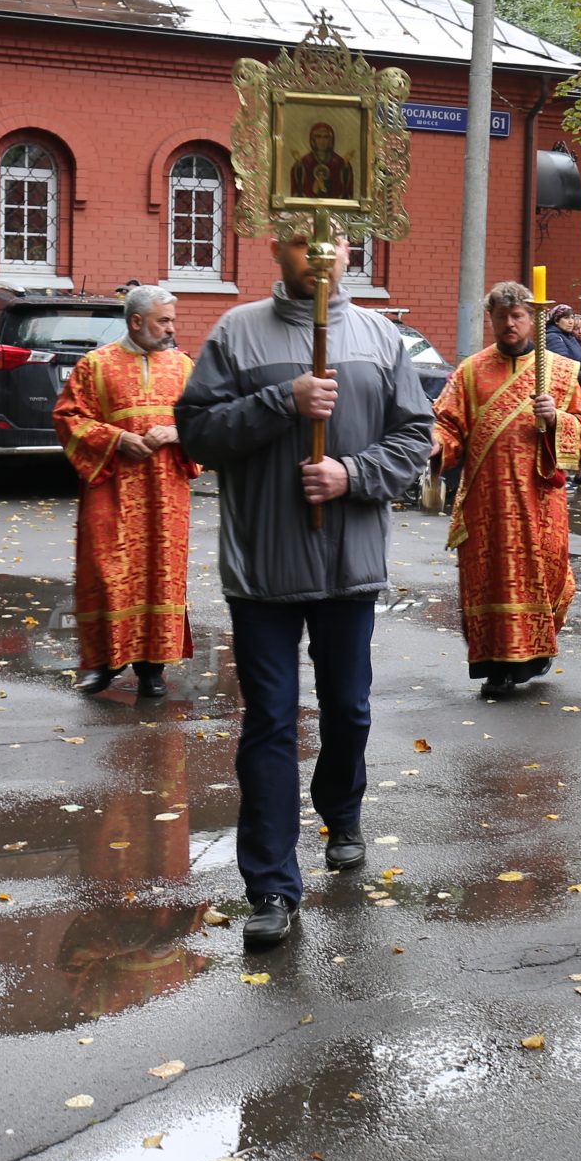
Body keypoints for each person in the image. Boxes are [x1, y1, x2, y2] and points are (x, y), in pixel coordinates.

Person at [177, 233, 433, 949]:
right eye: (301, 240)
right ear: (276, 250)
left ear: (350, 251)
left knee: (349, 709)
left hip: (349, 565)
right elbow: (196, 432)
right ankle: (270, 885)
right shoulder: (236, 332)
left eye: (333, 241)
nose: (319, 254)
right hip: (263, 569)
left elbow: (416, 437)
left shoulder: (382, 337)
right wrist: (279, 401)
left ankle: (341, 808)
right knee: (271, 720)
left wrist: (352, 474)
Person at [435, 281, 581, 699]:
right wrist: (435, 443)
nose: (510, 323)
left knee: (541, 576)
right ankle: (495, 665)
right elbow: (449, 424)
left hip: (539, 500)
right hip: (485, 499)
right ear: (490, 319)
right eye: (501, 316)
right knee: (488, 580)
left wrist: (557, 419)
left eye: (518, 316)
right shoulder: (470, 372)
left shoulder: (560, 372)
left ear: (532, 319)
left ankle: (533, 656)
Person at [54, 285, 197, 697]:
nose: (171, 328)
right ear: (136, 321)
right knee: (106, 573)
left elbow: (206, 420)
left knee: (160, 575)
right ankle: (103, 664)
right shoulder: (94, 366)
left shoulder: (184, 367)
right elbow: (68, 417)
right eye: (163, 320)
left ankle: (152, 669)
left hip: (166, 494)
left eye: (172, 320)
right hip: (112, 488)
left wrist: (176, 431)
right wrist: (117, 440)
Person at [287, 122, 356, 201]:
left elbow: (344, 190)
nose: (322, 141)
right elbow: (299, 189)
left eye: (326, 137)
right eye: (318, 137)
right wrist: (299, 165)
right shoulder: (305, 161)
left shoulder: (338, 162)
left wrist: (345, 165)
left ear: (331, 140)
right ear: (313, 140)